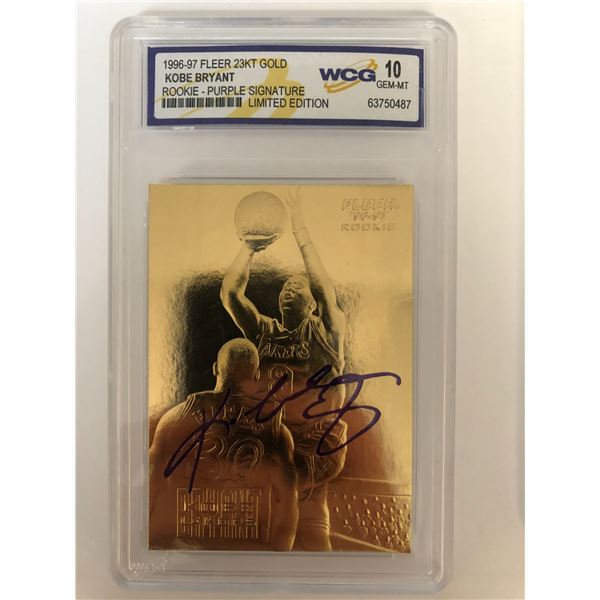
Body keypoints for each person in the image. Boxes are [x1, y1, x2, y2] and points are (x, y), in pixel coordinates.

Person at [220, 187, 347, 550]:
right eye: (285, 287)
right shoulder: (265, 330)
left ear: (312, 304)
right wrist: (249, 247)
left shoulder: (326, 330)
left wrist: (300, 231)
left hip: (316, 440)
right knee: (310, 516)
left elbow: (323, 287)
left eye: (298, 286)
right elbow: (230, 294)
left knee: (286, 504)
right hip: (273, 438)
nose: (289, 289)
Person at [149, 338, 297, 550]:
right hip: (248, 553)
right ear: (256, 375)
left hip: (186, 551)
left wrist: (145, 545)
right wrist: (278, 557)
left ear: (215, 369)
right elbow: (288, 500)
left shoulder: (176, 420)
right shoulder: (276, 432)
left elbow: (150, 484)